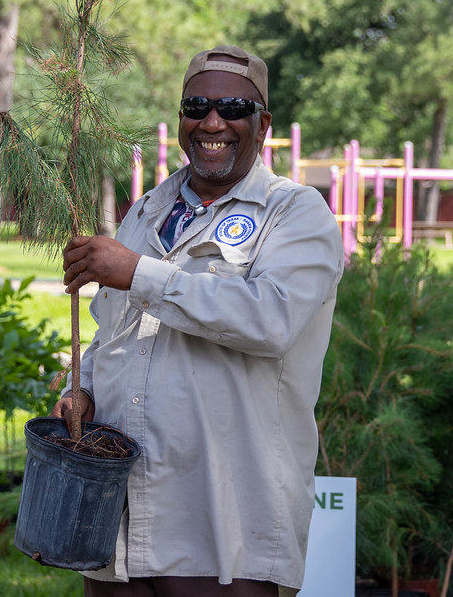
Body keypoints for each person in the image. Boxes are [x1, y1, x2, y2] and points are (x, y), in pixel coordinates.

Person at [51, 45, 344, 597]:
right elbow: (112, 330)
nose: (213, 122)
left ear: (263, 125)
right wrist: (84, 388)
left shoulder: (295, 213)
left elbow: (270, 319)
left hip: (222, 516)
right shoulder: (147, 211)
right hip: (118, 514)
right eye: (197, 105)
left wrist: (138, 273)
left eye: (234, 107)